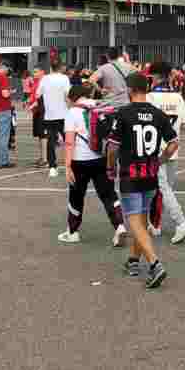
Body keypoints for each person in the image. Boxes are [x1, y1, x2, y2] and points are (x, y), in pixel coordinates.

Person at [107, 73, 178, 288]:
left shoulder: (123, 114)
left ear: (129, 90)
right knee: (142, 220)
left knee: (134, 222)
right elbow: (174, 143)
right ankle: (133, 260)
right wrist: (160, 159)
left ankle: (155, 264)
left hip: (131, 173)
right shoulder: (158, 114)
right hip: (150, 173)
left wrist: (110, 167)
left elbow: (112, 146)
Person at [57, 84, 126, 247]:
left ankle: (72, 232)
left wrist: (67, 166)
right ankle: (119, 226)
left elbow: (69, 142)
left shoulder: (72, 113)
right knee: (108, 194)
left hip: (79, 161)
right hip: (101, 158)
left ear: (72, 97)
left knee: (76, 196)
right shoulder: (100, 106)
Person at [145, 63, 185, 244]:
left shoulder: (149, 97)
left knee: (161, 190)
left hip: (155, 151)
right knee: (164, 190)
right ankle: (155, 224)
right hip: (173, 149)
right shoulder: (177, 97)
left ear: (156, 77)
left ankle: (181, 223)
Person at [38, 63, 72, 179]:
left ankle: (52, 167)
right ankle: (72, 164)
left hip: (49, 115)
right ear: (61, 68)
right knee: (69, 141)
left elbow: (38, 94)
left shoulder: (45, 79)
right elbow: (68, 95)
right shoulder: (64, 78)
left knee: (51, 141)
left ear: (51, 68)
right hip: (63, 114)